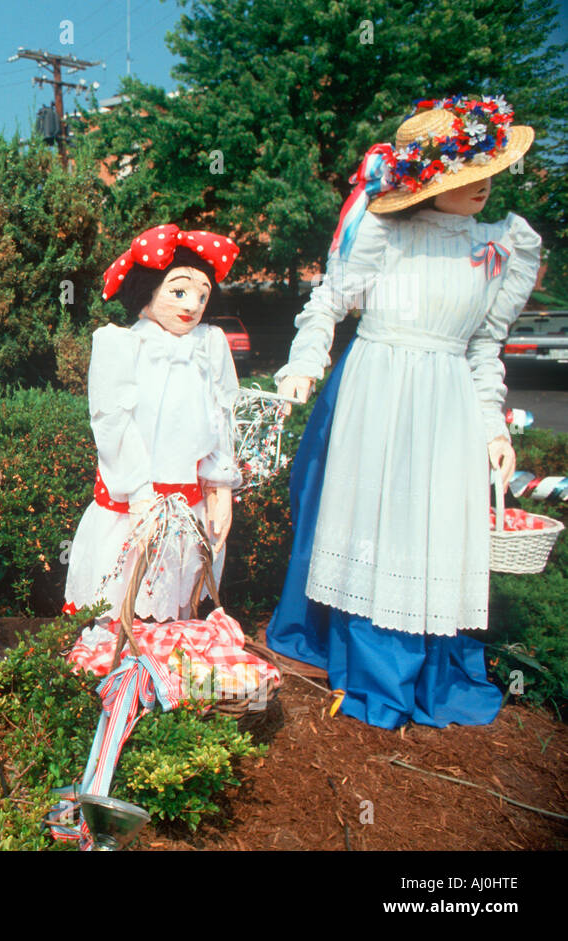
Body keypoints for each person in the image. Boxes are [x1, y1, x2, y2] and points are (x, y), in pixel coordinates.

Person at [268, 95, 541, 729]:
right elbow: (327, 304)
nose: (482, 186)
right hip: (377, 391)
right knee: (375, 521)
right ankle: (371, 665)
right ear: (426, 180)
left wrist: (493, 428)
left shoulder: (500, 248)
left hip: (445, 400)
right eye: (463, 174)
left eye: (487, 171)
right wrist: (304, 365)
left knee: (434, 525)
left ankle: (427, 664)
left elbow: (483, 348)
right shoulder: (383, 234)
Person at [64, 225, 242, 624]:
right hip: (135, 505)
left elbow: (222, 414)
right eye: (178, 291)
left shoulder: (210, 345)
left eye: (201, 295)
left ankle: (169, 660)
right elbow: (112, 421)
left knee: (181, 605)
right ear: (147, 290)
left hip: (189, 505)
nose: (192, 305)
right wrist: (139, 493)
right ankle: (122, 664)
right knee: (125, 601)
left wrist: (219, 485)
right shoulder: (122, 345)